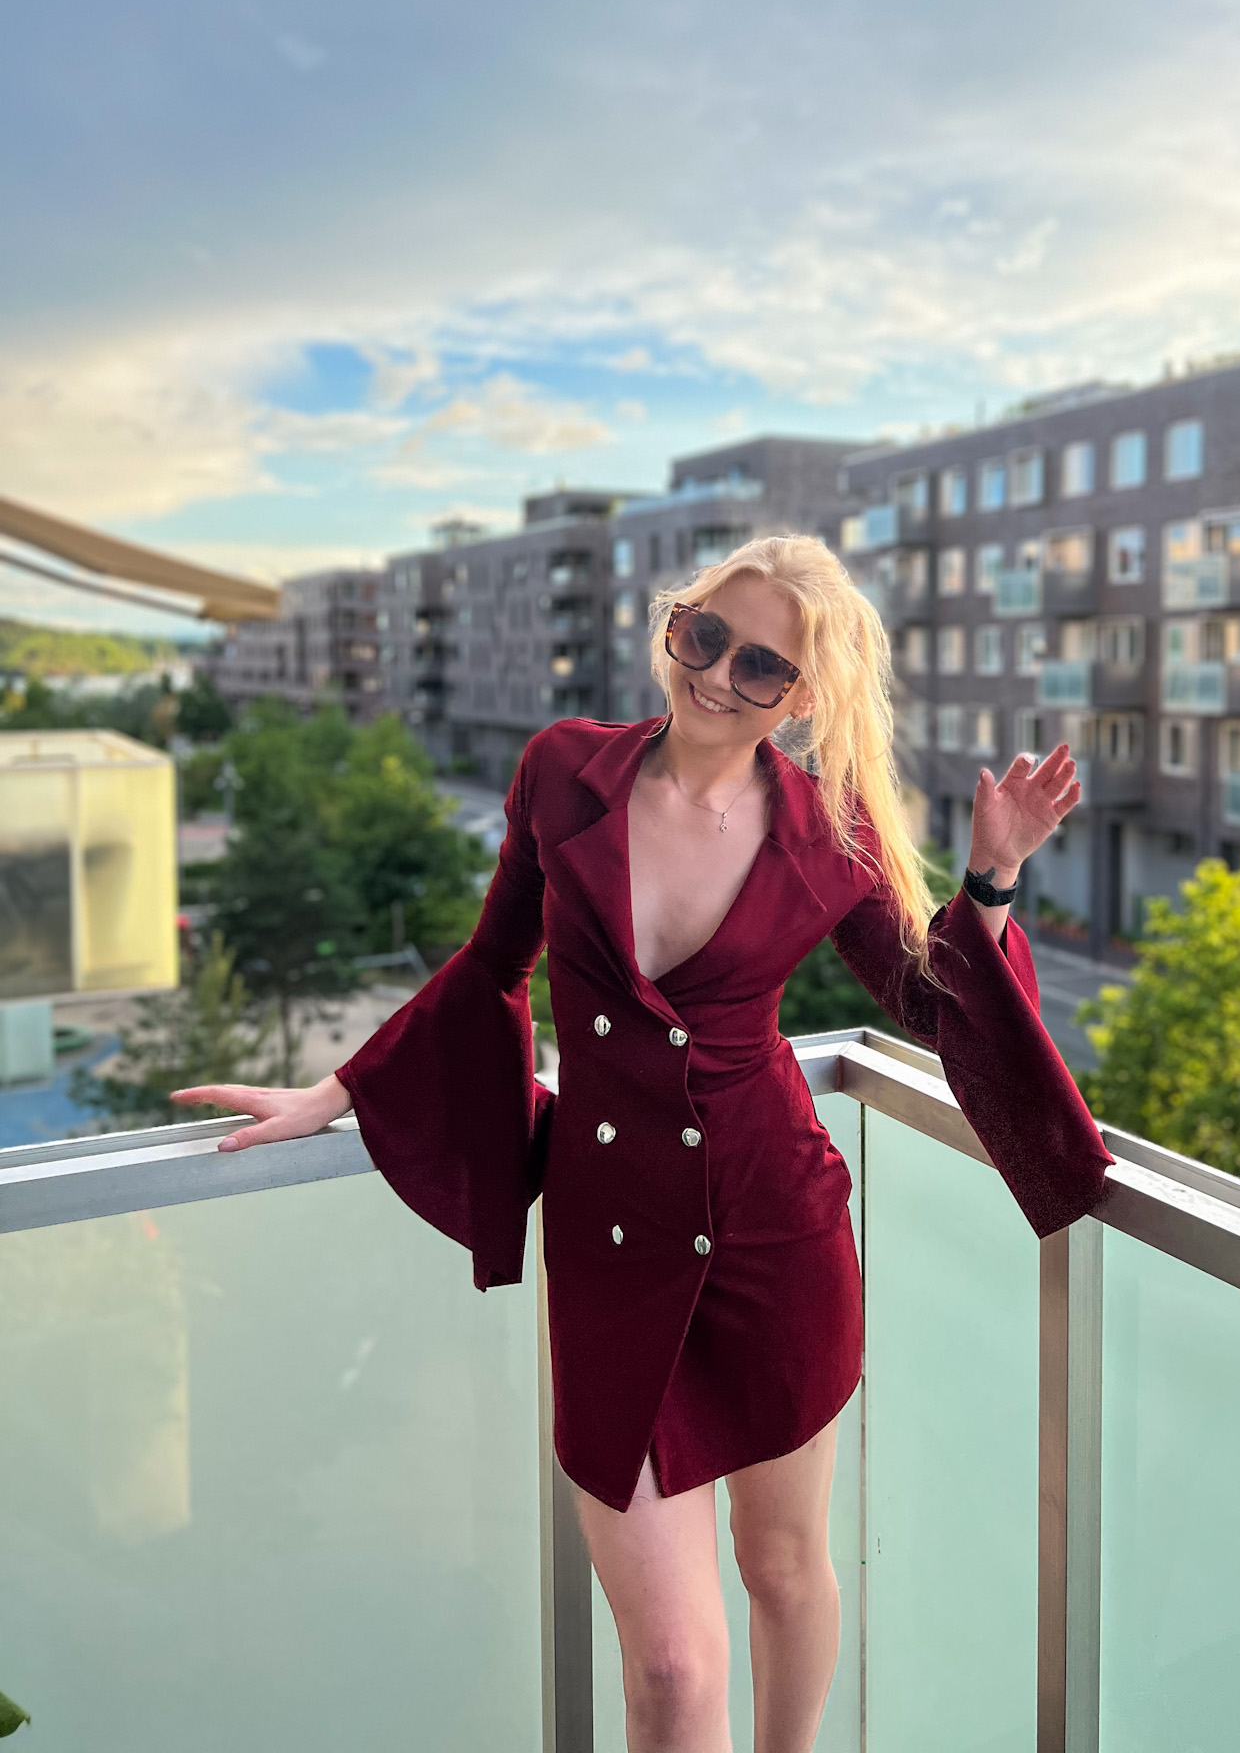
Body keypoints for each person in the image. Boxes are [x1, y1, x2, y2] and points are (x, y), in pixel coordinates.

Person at [174, 534, 1109, 1753]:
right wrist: (343, 1090)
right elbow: (491, 962)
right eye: (704, 634)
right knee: (669, 1666)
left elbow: (931, 1006)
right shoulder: (562, 769)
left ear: (805, 696)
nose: (720, 673)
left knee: (782, 1567)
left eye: (763, 662)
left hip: (778, 1228)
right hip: (614, 1240)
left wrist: (990, 878)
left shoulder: (835, 834)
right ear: (673, 627)